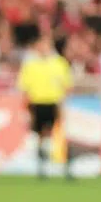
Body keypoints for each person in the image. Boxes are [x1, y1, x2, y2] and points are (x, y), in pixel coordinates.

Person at [15, 23, 73, 178]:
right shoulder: (30, 64)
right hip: (37, 102)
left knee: (56, 133)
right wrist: (25, 107)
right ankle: (42, 166)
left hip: (54, 102)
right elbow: (24, 87)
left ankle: (63, 165)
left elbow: (67, 85)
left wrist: (63, 102)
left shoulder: (59, 63)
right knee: (40, 135)